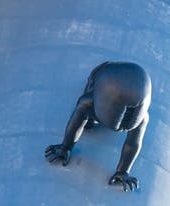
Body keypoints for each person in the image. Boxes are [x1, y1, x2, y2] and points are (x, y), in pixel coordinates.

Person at [45, 61, 151, 191]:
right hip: (100, 79)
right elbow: (132, 143)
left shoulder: (141, 117)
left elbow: (133, 143)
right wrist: (66, 146)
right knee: (88, 122)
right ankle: (93, 117)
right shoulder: (88, 101)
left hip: (105, 85)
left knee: (88, 116)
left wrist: (123, 171)